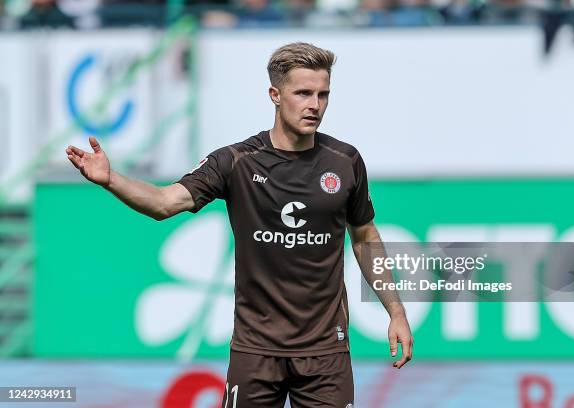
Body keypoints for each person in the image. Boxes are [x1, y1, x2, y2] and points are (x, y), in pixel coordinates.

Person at [66, 42, 413, 407]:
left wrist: (396, 312)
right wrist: (111, 180)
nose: (315, 104)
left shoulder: (345, 162)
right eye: (303, 93)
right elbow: (164, 203)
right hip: (255, 350)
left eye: (323, 94)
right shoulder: (236, 162)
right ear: (275, 95)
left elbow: (363, 239)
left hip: (326, 350)